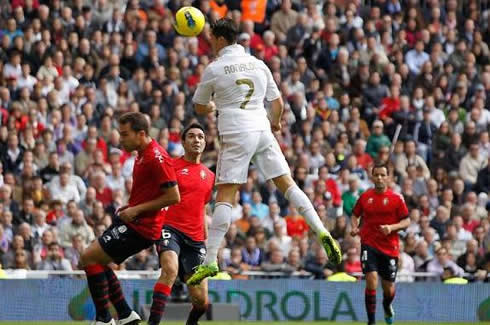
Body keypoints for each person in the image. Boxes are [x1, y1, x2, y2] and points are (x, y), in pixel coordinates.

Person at [187, 18, 341, 286]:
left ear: (221, 39)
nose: (210, 42)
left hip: (236, 131)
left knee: (225, 195)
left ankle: (210, 259)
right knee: (288, 184)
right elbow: (277, 103)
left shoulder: (215, 68)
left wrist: (213, 106)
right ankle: (321, 230)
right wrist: (276, 122)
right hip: (262, 129)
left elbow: (199, 107)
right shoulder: (259, 64)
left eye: (212, 38)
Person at [80, 112, 180, 325]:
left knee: (88, 257)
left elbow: (173, 196)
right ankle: (125, 315)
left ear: (141, 134)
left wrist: (136, 210)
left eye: (125, 135)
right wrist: (131, 207)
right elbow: (149, 191)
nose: (121, 139)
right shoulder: (141, 154)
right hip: (132, 220)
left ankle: (105, 319)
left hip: (142, 227)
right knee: (97, 261)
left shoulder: (157, 157)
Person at [148, 123, 214, 325]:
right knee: (170, 270)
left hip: (195, 239)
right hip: (170, 229)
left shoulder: (209, 176)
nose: (197, 140)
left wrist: (207, 243)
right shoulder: (171, 167)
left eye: (201, 137)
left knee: (201, 302)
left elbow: (202, 208)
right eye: (192, 136)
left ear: (205, 143)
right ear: (183, 142)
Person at [351, 163, 409, 325]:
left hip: (390, 247)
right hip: (369, 243)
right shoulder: (365, 197)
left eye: (383, 175)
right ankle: (371, 322)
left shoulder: (396, 199)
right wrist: (354, 227)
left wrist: (391, 227)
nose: (379, 178)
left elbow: (407, 221)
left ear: (388, 177)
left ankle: (387, 305)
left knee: (388, 289)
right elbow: (354, 215)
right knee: (371, 279)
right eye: (376, 175)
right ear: (372, 177)